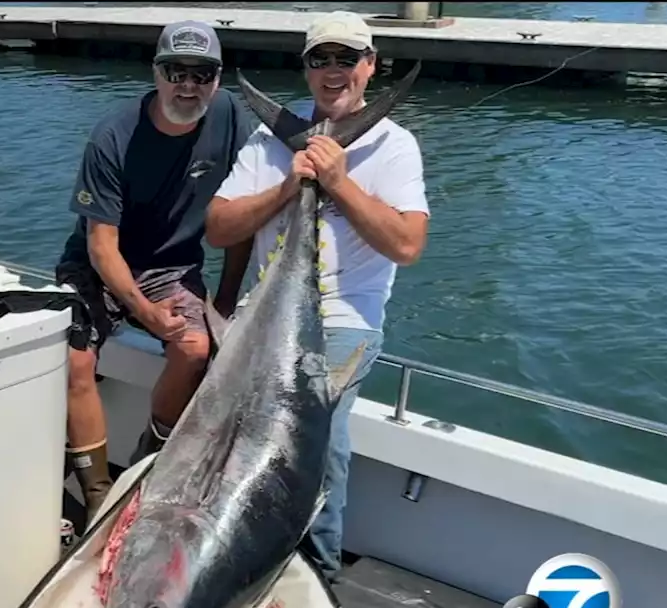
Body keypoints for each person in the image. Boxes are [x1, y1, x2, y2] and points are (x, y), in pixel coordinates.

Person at [205, 11, 430, 578]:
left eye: (347, 59)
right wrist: (291, 185)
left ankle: (319, 570)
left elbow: (406, 245)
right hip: (266, 311)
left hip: (345, 320)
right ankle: (232, 549)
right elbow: (219, 228)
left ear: (370, 66)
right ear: (306, 69)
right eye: (320, 59)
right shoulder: (270, 136)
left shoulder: (395, 146)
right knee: (225, 430)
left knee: (315, 434)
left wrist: (336, 181)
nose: (334, 71)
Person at [55, 20, 256, 527]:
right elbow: (101, 245)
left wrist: (226, 303)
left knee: (194, 348)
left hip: (172, 267)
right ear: (156, 72)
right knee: (77, 360)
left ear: (217, 78)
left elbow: (240, 220)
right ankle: (99, 491)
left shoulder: (231, 116)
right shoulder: (112, 136)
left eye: (201, 73)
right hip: (97, 265)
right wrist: (144, 310)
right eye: (175, 71)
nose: (187, 86)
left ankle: (151, 457)